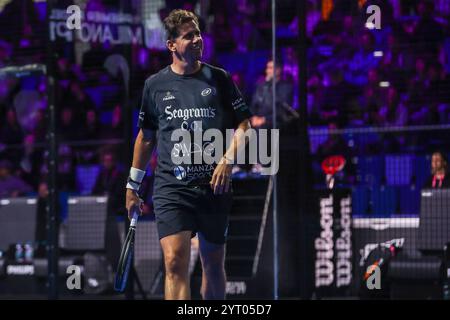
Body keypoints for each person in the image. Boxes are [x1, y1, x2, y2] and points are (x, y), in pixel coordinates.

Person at [125, 9, 252, 300]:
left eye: (198, 33)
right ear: (171, 44)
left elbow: (244, 125)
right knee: (174, 263)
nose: (197, 39)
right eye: (188, 35)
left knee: (213, 265)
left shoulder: (219, 79)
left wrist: (227, 160)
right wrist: (132, 186)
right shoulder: (155, 85)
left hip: (214, 188)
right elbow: (146, 138)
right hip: (171, 188)